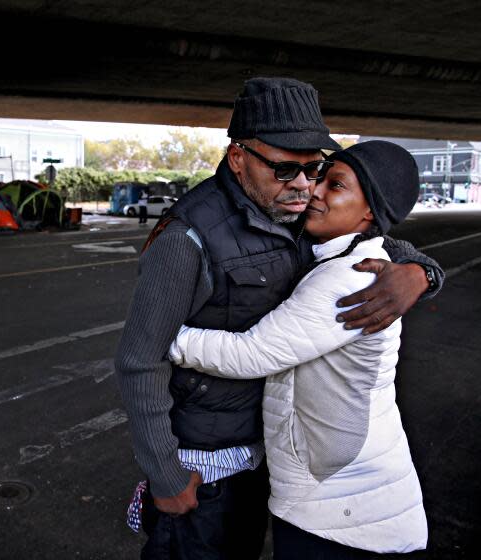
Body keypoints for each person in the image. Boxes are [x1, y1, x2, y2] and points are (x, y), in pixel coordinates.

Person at [115, 78, 443, 560]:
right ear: (239, 158)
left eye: (316, 169)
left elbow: (377, 236)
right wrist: (164, 474)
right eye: (287, 168)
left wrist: (419, 274)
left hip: (268, 463)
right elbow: (139, 361)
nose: (305, 187)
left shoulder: (292, 212)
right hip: (206, 471)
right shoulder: (187, 237)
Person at [168, 140, 428, 558]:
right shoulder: (332, 252)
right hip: (338, 497)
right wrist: (422, 273)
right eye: (321, 176)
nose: (315, 190)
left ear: (369, 215)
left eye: (335, 185)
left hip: (344, 512)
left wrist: (168, 336)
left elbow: (251, 354)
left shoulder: (352, 278)